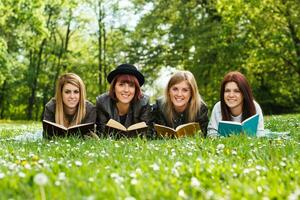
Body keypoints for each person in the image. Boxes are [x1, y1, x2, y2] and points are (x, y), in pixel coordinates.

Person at [96, 64, 150, 137]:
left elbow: (146, 133)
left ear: (136, 89)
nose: (126, 90)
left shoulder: (144, 102)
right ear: (114, 87)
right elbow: (101, 133)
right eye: (121, 85)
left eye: (131, 85)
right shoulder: (102, 102)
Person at [151, 70, 209, 137]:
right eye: (175, 89)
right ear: (168, 91)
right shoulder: (160, 106)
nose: (179, 94)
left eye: (185, 90)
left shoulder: (200, 109)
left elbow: (203, 135)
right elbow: (155, 135)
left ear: (192, 93)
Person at [207, 71, 264, 137]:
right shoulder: (218, 107)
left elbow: (260, 134)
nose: (231, 95)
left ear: (244, 93)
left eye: (236, 91)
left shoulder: (254, 106)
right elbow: (211, 133)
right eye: (227, 91)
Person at [43, 73, 96, 137]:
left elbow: (89, 138)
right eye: (67, 92)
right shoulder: (50, 107)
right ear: (61, 93)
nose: (72, 96)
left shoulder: (90, 109)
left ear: (81, 94)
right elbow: (46, 137)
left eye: (76, 92)